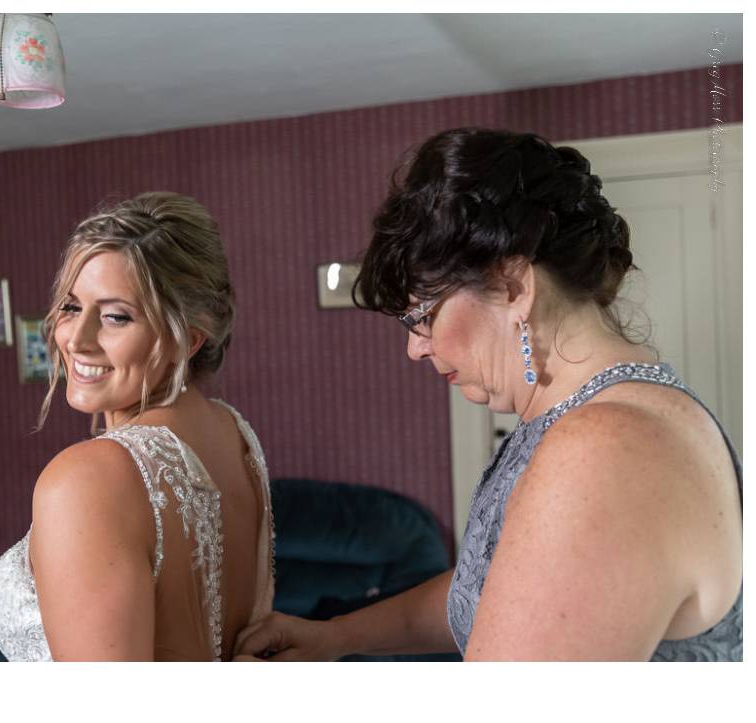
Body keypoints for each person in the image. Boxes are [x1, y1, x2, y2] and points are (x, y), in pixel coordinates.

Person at [234, 128, 742, 662]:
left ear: (512, 288)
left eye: (423, 317)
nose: (415, 349)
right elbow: (498, 588)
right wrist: (338, 635)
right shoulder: (585, 419)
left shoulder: (606, 449)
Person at [0, 192, 274, 661]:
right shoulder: (235, 433)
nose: (76, 340)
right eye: (72, 307)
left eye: (116, 316)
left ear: (188, 338)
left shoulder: (88, 479)